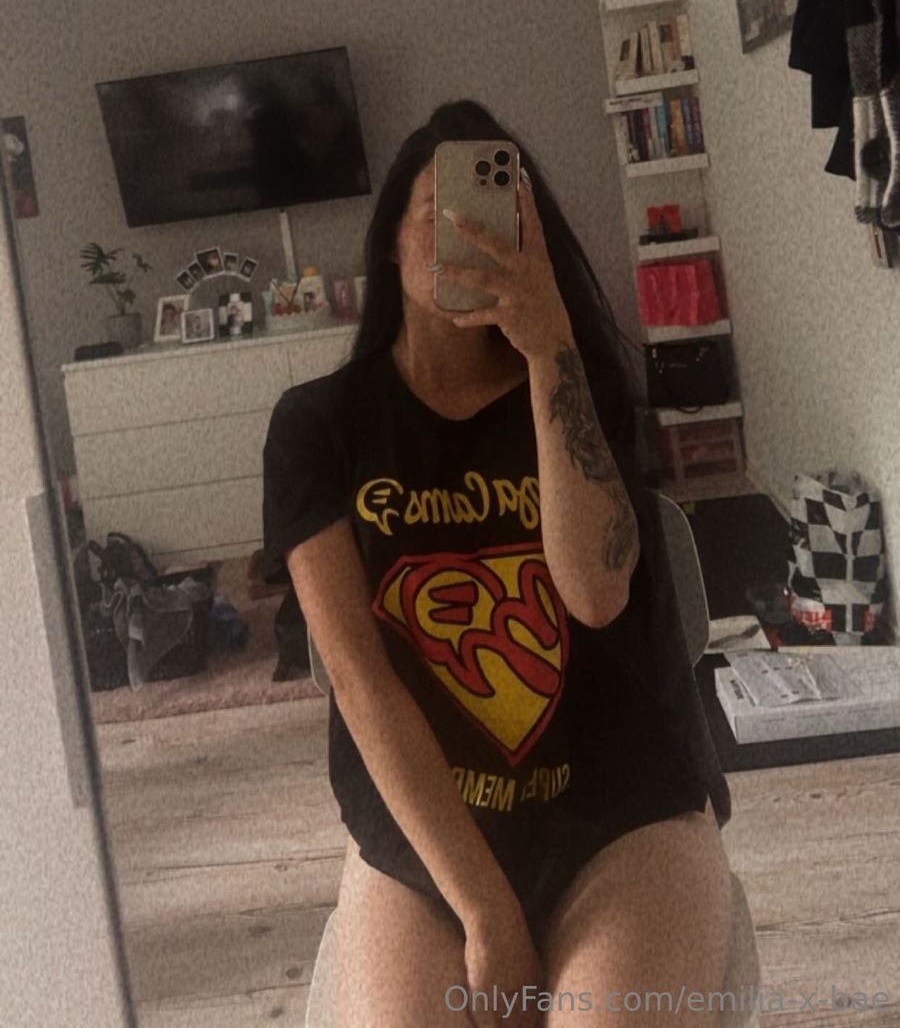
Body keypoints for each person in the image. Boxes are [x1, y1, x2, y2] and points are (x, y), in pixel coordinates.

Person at [262, 100, 736, 1027]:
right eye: (441, 213)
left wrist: (549, 342)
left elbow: (594, 595)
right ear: (390, 241)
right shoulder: (317, 427)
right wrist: (485, 909)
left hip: (618, 804)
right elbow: (359, 680)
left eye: (493, 214)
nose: (469, 234)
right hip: (425, 831)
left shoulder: (579, 391)